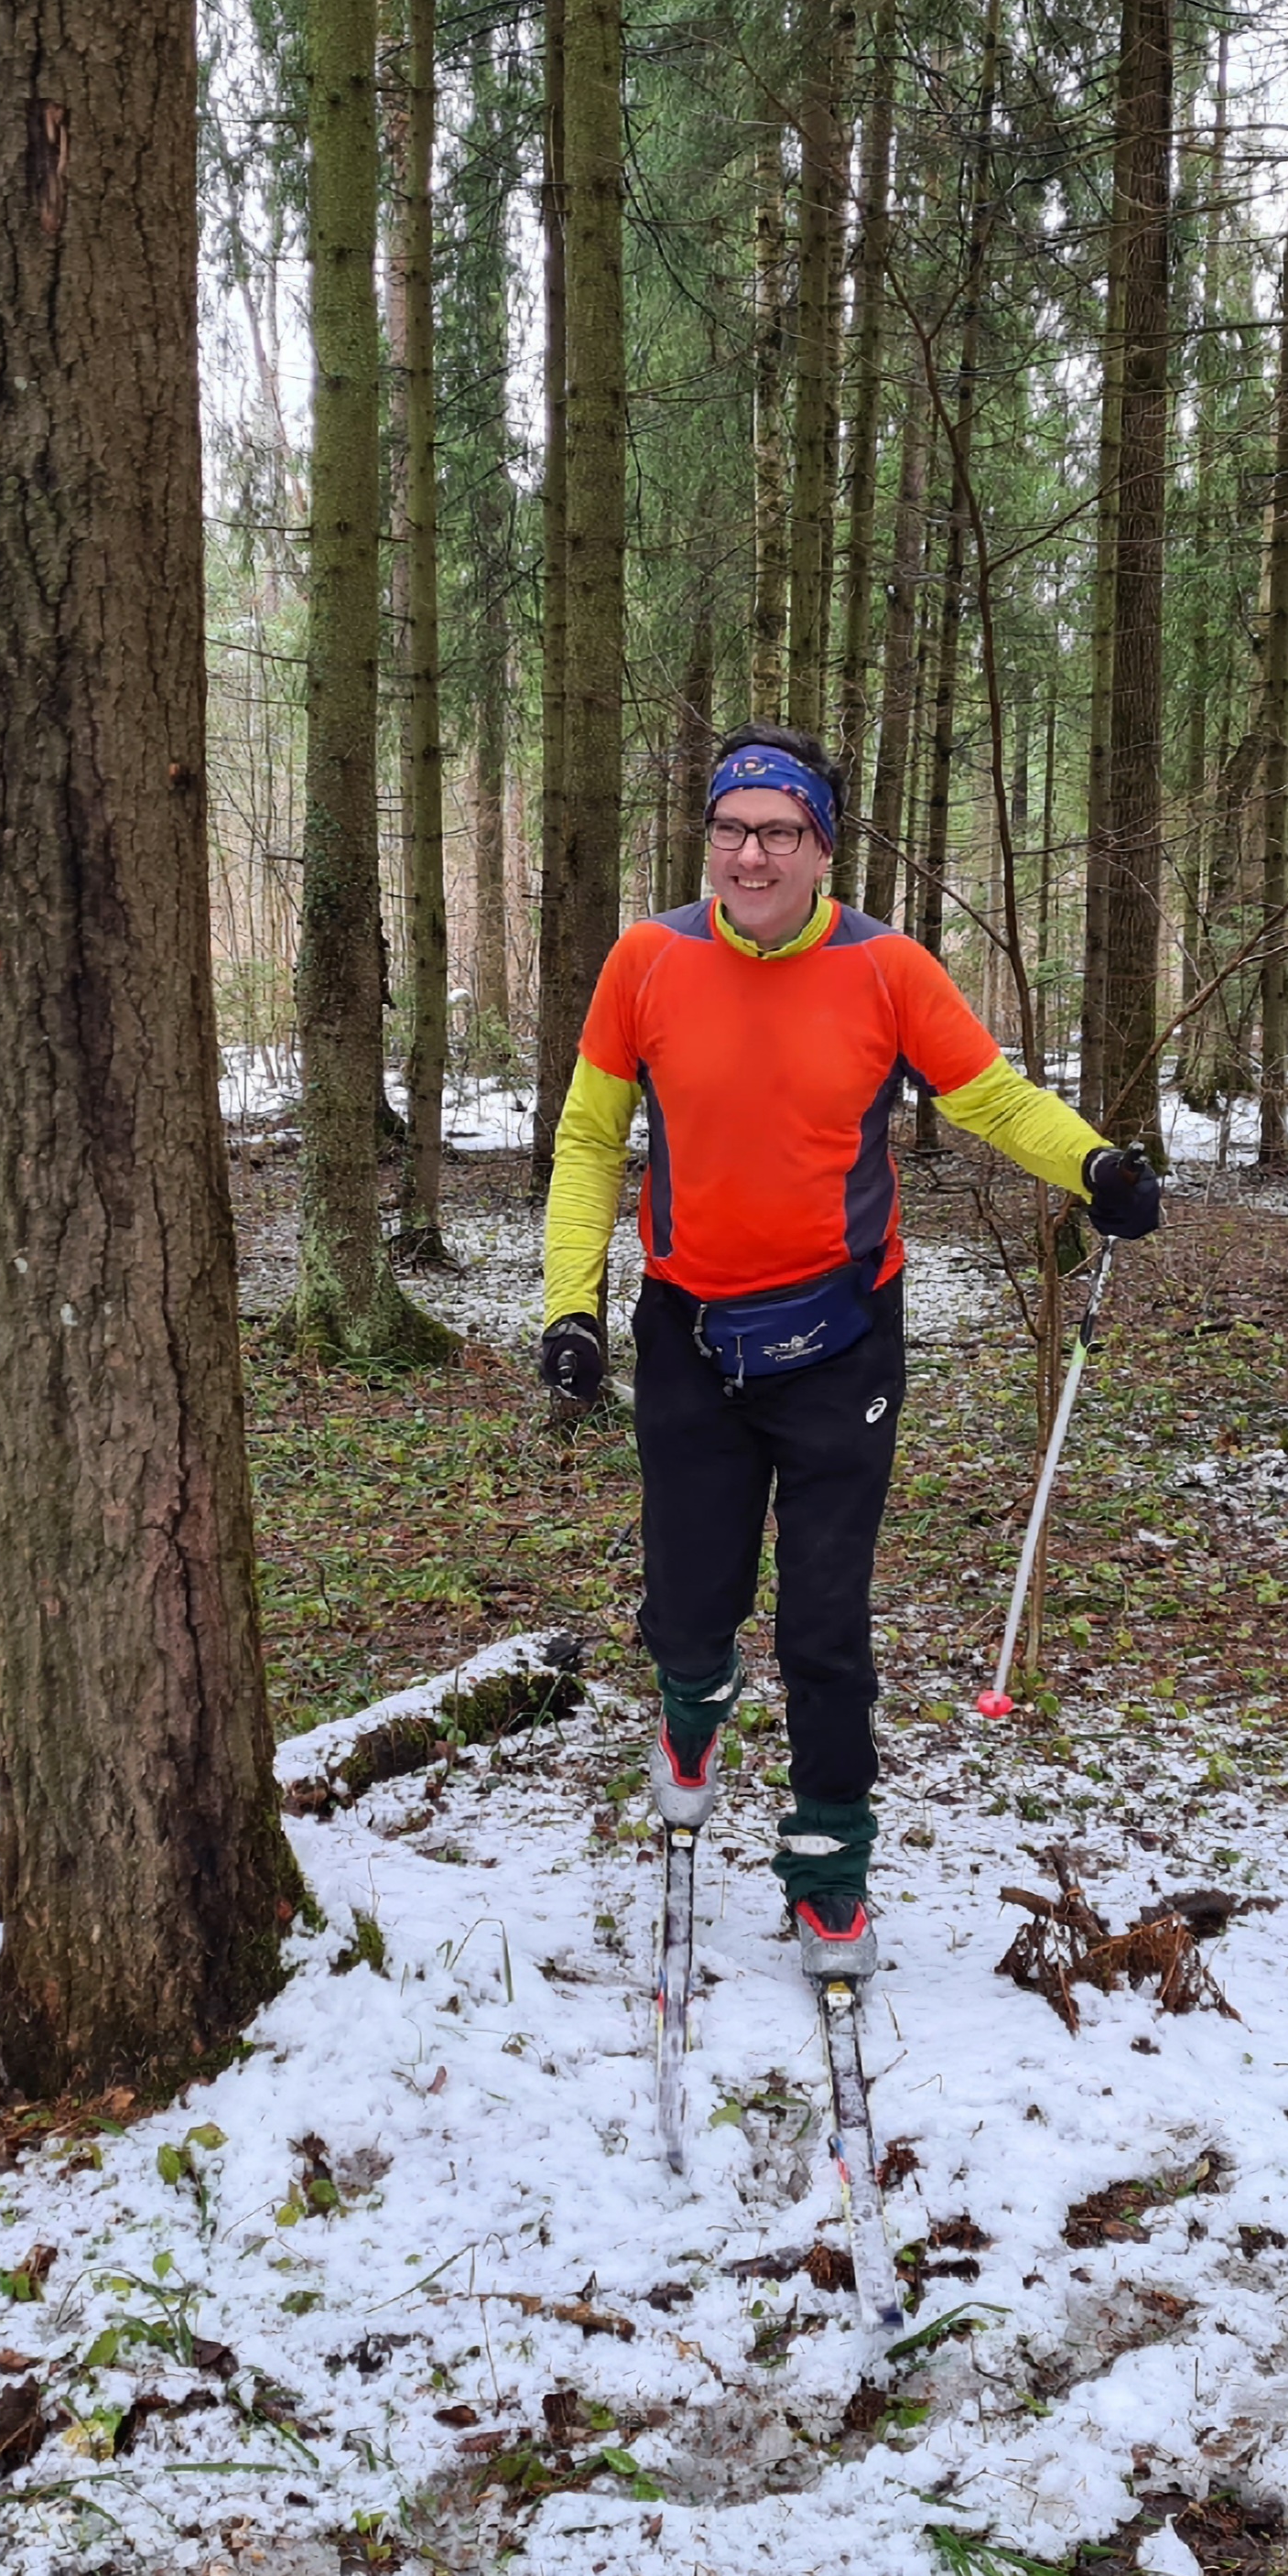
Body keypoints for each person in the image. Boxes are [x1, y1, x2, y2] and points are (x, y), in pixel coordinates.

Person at [539, 721, 1161, 1982]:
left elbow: (988, 1097)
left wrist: (1093, 1164)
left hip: (842, 1341)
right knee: (689, 1608)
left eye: (778, 831)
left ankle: (829, 1868)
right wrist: (571, 1307)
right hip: (688, 1336)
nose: (749, 855)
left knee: (825, 1622)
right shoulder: (646, 960)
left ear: (822, 847)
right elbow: (591, 1138)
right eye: (729, 829)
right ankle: (692, 1707)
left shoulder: (886, 969)